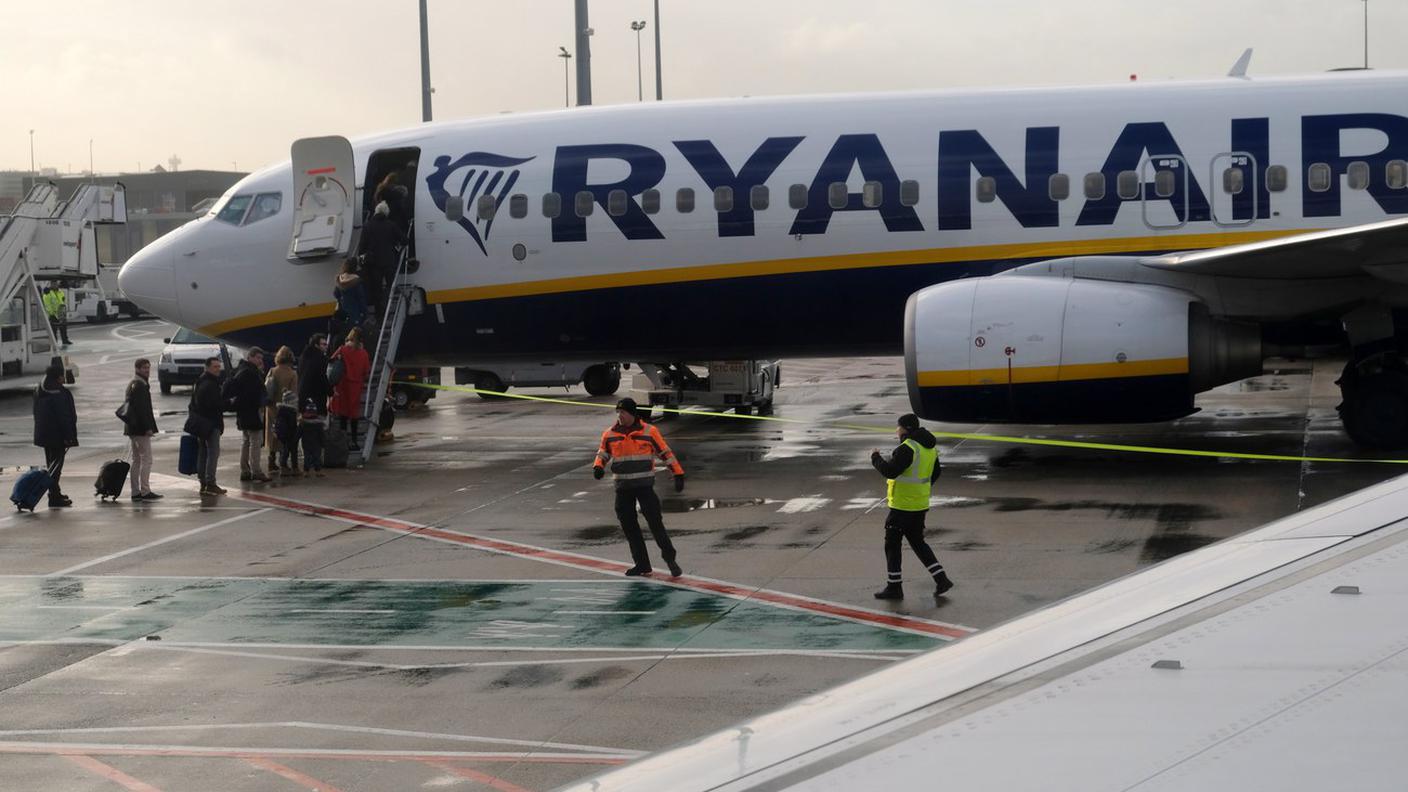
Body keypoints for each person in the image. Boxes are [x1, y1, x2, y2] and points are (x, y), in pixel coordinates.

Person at [592, 398, 685, 577]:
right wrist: (598, 466)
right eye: (618, 412)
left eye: (623, 412)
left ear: (632, 414)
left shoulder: (649, 432)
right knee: (629, 527)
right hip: (623, 489)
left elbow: (665, 453)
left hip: (644, 488)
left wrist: (678, 474)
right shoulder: (610, 434)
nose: (620, 416)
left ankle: (670, 558)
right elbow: (603, 452)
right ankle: (642, 564)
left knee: (656, 524)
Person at [869, 413, 954, 601]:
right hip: (919, 505)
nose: (896, 430)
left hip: (902, 507)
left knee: (892, 545)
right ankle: (942, 579)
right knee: (917, 542)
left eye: (898, 427)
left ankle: (894, 587)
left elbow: (890, 471)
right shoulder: (929, 448)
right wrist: (920, 490)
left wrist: (875, 458)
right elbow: (936, 472)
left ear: (905, 428)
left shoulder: (908, 448)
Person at [32, 363, 77, 508]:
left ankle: (55, 492)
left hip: (45, 434)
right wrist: (69, 437)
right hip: (57, 436)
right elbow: (64, 417)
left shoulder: (41, 388)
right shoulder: (58, 392)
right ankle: (53, 496)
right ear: (58, 377)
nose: (64, 378)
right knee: (56, 467)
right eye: (63, 375)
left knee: (51, 465)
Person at [228, 346, 270, 483]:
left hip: (243, 412)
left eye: (261, 358)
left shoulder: (242, 370)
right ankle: (256, 471)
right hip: (251, 411)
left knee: (246, 441)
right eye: (258, 358)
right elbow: (256, 391)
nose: (260, 361)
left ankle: (245, 470)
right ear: (250, 357)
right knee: (255, 442)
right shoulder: (250, 373)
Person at [122, 358, 161, 501]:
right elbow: (142, 410)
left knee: (137, 460)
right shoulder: (139, 385)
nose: (147, 370)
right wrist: (148, 428)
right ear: (137, 369)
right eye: (144, 368)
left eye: (148, 368)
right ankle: (145, 491)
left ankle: (136, 492)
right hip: (140, 429)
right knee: (146, 460)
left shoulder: (134, 383)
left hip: (133, 429)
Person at [190, 356, 228, 496]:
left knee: (203, 452)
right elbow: (215, 405)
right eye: (215, 367)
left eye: (219, 366)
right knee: (213, 453)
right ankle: (210, 482)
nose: (218, 369)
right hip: (210, 424)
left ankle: (203, 482)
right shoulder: (210, 384)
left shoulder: (201, 381)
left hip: (202, 424)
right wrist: (229, 403)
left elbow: (194, 404)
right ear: (207, 368)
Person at [356, 202, 402, 316]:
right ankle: (390, 307)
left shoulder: (367, 226)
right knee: (391, 286)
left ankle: (379, 314)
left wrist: (362, 257)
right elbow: (403, 239)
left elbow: (362, 246)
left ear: (376, 212)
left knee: (377, 289)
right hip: (389, 261)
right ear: (386, 213)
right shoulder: (391, 225)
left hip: (374, 263)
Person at [329, 328, 371, 440]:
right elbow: (366, 370)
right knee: (354, 414)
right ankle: (354, 440)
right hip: (356, 386)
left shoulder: (342, 349)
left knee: (343, 413)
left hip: (343, 385)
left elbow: (331, 363)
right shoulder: (364, 353)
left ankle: (343, 439)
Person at [264, 345, 298, 475]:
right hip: (286, 409)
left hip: (272, 406)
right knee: (286, 435)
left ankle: (271, 461)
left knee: (273, 434)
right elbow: (294, 393)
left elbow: (266, 388)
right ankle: (284, 462)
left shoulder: (272, 370)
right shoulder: (292, 373)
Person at [298, 333, 332, 417]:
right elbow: (322, 377)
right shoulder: (321, 358)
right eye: (323, 344)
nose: (326, 346)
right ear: (316, 345)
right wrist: (331, 392)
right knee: (317, 422)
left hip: (303, 395)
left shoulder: (303, 357)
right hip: (316, 396)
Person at [333, 258, 367, 328]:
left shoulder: (339, 279)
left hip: (343, 311)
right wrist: (364, 312)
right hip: (355, 311)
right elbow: (361, 298)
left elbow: (336, 294)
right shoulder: (356, 281)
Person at [299, 398, 326, 477]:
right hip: (316, 444)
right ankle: (318, 471)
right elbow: (321, 434)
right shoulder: (318, 424)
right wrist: (323, 443)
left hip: (306, 443)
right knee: (317, 457)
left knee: (307, 458)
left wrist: (295, 440)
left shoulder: (303, 423)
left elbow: (298, 433)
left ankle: (306, 471)